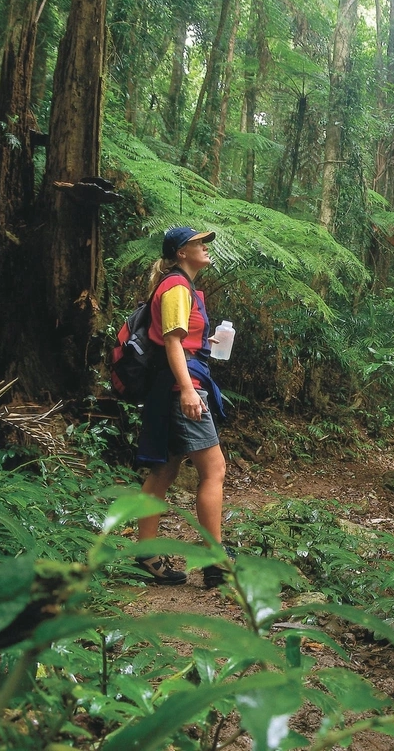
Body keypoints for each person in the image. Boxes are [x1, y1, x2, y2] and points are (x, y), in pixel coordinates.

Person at [133, 226, 234, 589]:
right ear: (181, 253)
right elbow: (172, 342)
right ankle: (214, 561)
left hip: (171, 387)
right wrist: (189, 390)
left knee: (163, 471)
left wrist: (205, 340)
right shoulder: (176, 286)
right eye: (197, 243)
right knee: (214, 469)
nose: (205, 247)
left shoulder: (181, 286)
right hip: (182, 388)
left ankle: (146, 553)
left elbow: (179, 337)